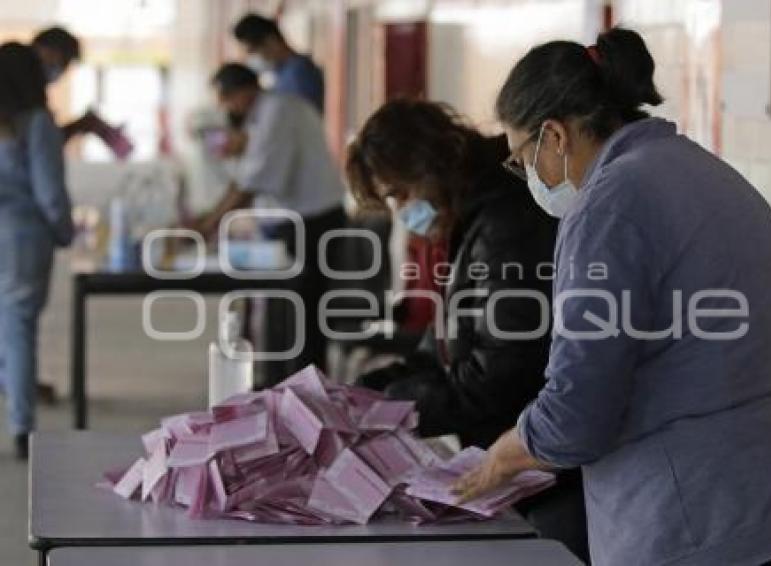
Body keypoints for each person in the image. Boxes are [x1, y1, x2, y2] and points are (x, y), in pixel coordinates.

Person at [452, 28, 771, 566]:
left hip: (700, 525)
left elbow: (579, 409)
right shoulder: (709, 173)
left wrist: (506, 454)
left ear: (555, 136)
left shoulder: (608, 205)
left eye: (521, 160)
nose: (526, 178)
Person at [346, 99, 588, 561]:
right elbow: (442, 348)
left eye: (401, 194)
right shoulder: (473, 219)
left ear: (435, 162)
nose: (403, 213)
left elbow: (500, 377)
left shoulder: (505, 224)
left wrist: (382, 413)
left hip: (541, 467)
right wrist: (363, 393)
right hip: (514, 461)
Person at [187, 63, 345, 378]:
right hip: (294, 222)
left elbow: (251, 183)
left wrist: (210, 225)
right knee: (281, 312)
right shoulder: (265, 116)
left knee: (303, 316)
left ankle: (304, 391)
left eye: (226, 99)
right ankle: (278, 385)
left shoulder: (279, 113)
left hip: (314, 224)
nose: (225, 109)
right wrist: (208, 219)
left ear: (243, 93)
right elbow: (244, 180)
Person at [0, 43, 73, 460]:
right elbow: (49, 191)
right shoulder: (36, 124)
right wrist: (65, 232)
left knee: (6, 329)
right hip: (23, 240)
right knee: (19, 329)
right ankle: (22, 427)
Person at [233, 13, 324, 113]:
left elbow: (304, 117)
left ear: (271, 41)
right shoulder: (281, 74)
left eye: (253, 51)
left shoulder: (299, 73)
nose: (253, 58)